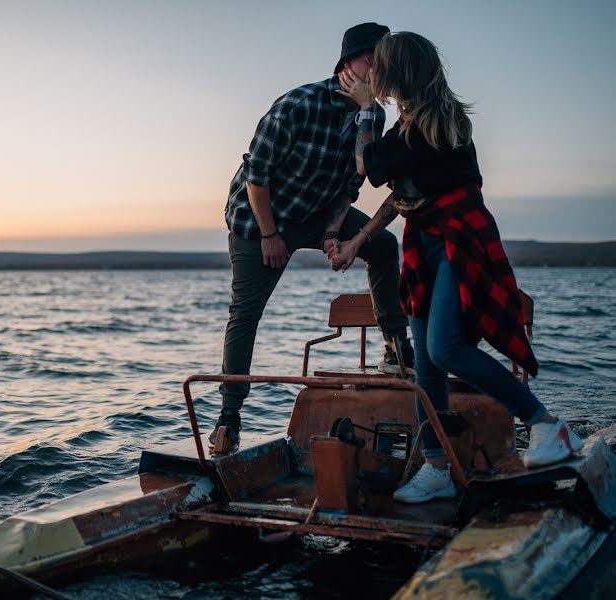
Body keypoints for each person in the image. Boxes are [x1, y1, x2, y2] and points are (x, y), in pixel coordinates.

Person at [332, 31, 583, 503]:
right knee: (425, 362)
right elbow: (401, 193)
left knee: (444, 347)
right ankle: (436, 468)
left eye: (381, 63)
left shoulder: (437, 123)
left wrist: (366, 109)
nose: (373, 71)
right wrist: (358, 240)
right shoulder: (410, 124)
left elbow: (372, 167)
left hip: (457, 236)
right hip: (424, 240)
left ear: (399, 70)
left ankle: (547, 425)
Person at [213, 22, 415, 452]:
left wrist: (331, 231)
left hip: (316, 210)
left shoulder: (372, 116)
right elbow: (257, 175)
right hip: (259, 217)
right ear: (348, 64)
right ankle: (228, 419)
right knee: (245, 312)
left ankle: (396, 348)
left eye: (385, 65)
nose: (379, 72)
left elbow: (351, 184)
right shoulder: (297, 104)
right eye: (371, 62)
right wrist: (270, 235)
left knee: (382, 243)